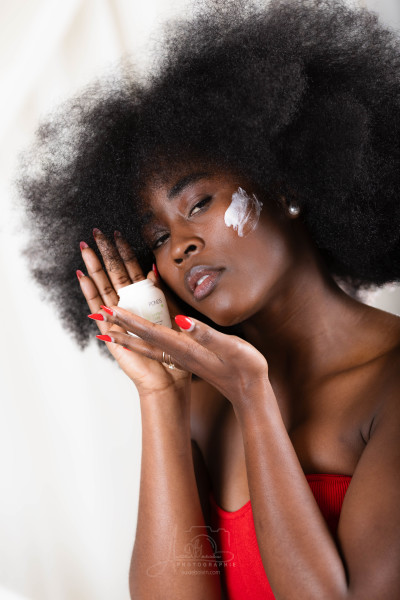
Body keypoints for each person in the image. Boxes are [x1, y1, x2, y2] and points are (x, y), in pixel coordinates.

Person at [18, 0, 400, 598]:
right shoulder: (203, 405)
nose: (180, 248)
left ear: (288, 185)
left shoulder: (391, 380)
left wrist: (254, 399)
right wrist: (161, 398)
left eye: (198, 203)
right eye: (158, 238)